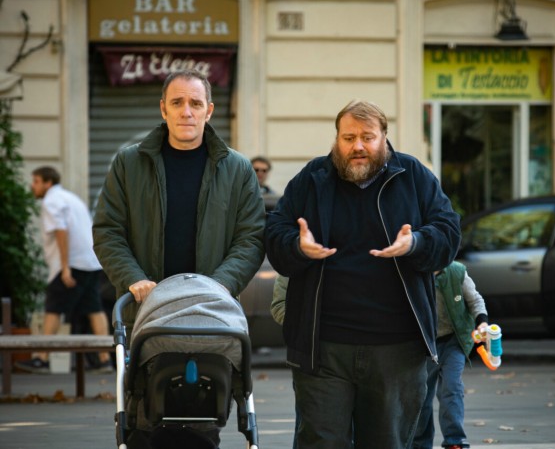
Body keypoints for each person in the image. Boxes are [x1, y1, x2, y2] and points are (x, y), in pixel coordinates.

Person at [264, 99, 461, 448]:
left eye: (367, 137)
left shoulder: (413, 176)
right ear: (336, 139)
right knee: (320, 443)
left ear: (384, 137)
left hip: (397, 350)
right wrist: (297, 246)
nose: (358, 146)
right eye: (348, 137)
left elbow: (448, 233)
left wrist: (416, 242)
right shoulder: (312, 178)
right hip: (322, 348)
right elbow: (275, 234)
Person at [92, 69, 265, 448]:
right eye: (177, 102)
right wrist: (133, 277)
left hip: (210, 316)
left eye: (195, 103)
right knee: (143, 419)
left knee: (201, 420)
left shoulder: (237, 169)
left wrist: (221, 285)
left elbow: (251, 236)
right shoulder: (129, 163)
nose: (187, 111)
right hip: (147, 313)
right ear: (163, 109)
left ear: (209, 111)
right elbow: (107, 231)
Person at [15, 166, 112, 374]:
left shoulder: (51, 201)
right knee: (94, 308)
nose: (32, 186)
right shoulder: (71, 198)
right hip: (91, 262)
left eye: (36, 181)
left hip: (71, 264)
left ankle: (42, 358)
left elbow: (61, 231)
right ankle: (104, 360)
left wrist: (65, 267)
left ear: (48, 183)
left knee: (53, 308)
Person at [412, 261, 489, 449]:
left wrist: (482, 322)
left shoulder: (457, 272)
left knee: (452, 388)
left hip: (453, 340)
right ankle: (420, 443)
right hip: (425, 344)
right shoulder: (413, 273)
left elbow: (475, 300)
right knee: (422, 395)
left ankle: (455, 440)